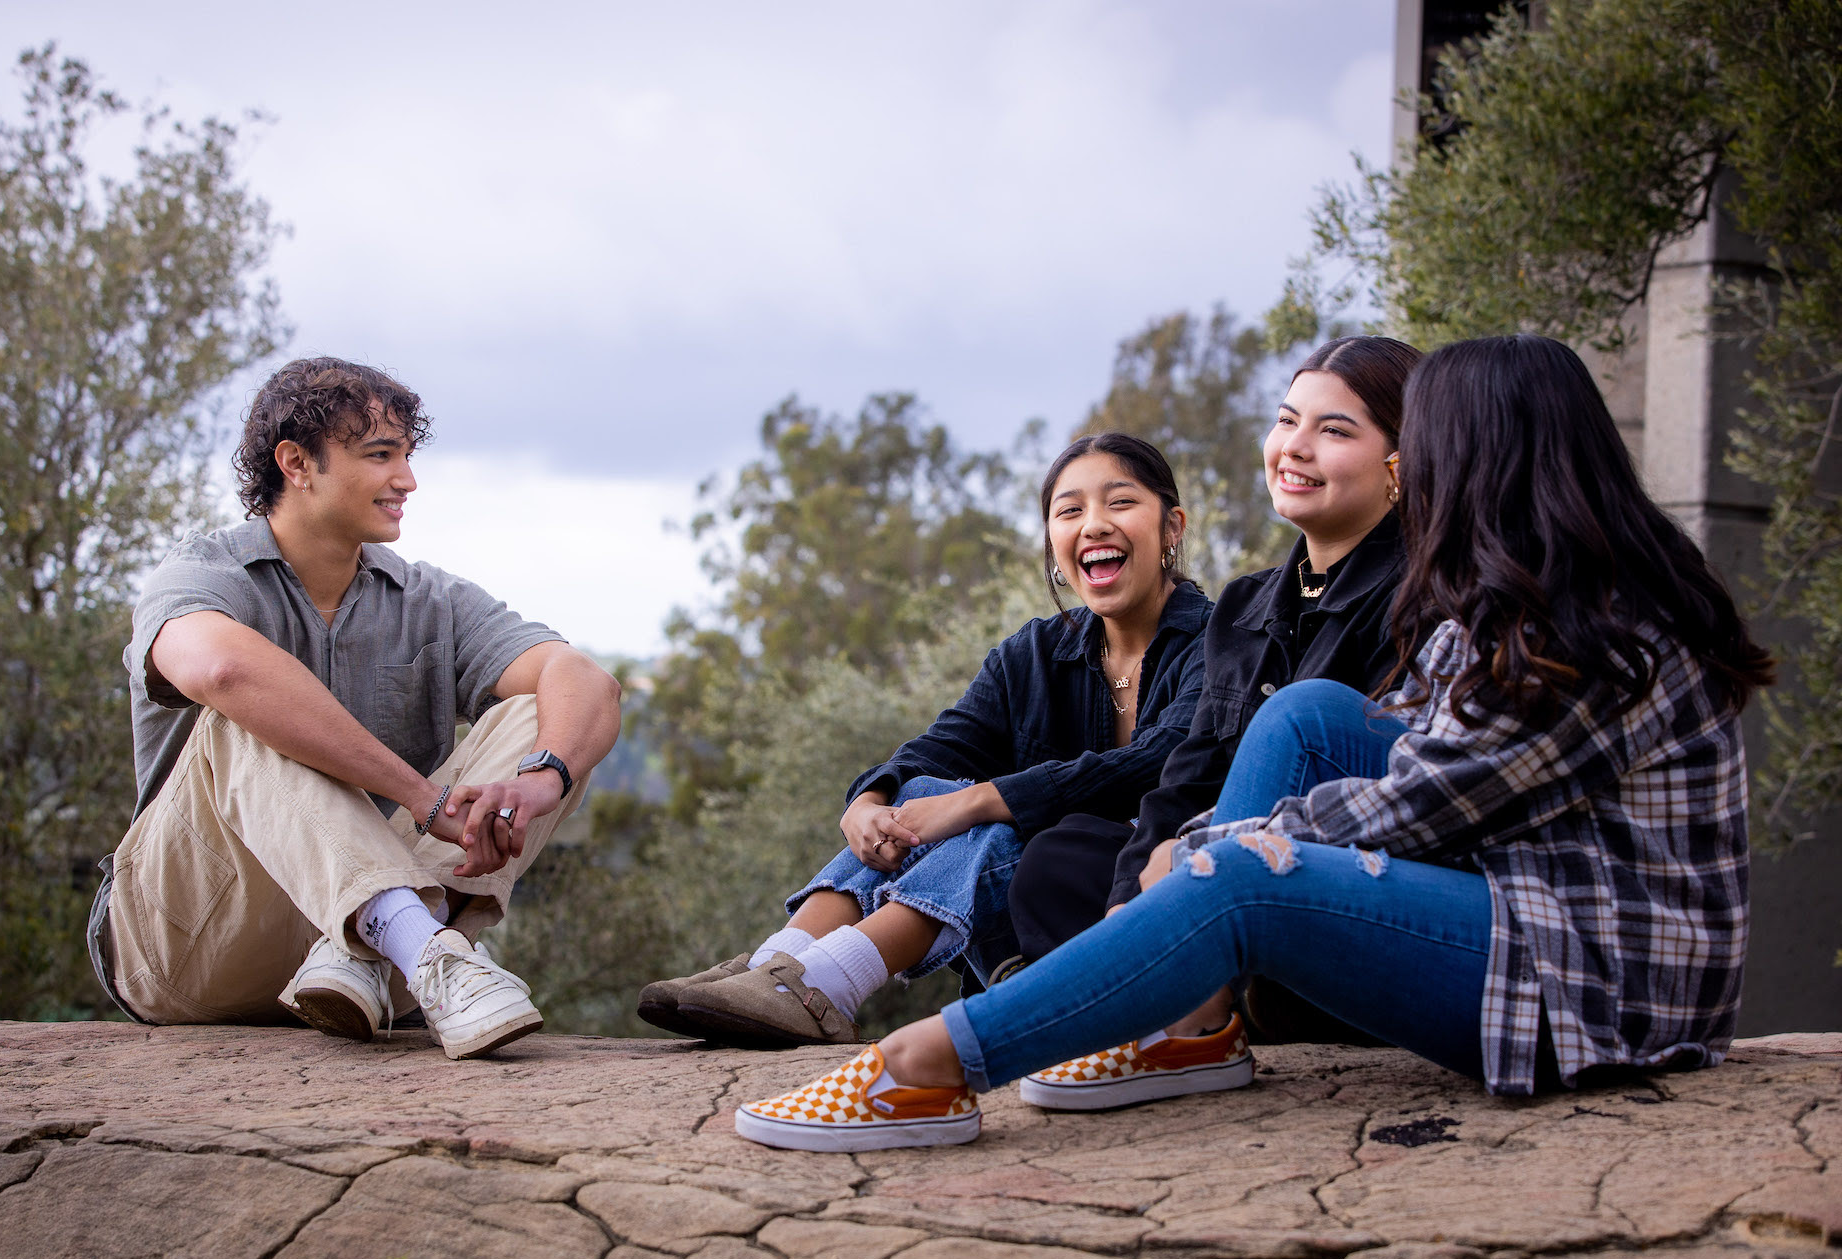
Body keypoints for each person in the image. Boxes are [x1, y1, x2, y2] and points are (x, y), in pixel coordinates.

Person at [734, 333, 1773, 1150]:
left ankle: (933, 1063)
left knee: (1240, 877)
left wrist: (1208, 853)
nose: (1423, 474)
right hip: (1534, 912)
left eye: (1431, 450)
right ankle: (1188, 1022)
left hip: (1592, 984)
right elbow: (1395, 747)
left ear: (1482, 461)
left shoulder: (1589, 626)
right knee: (1305, 713)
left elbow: (1422, 804)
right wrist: (1208, 836)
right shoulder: (1522, 598)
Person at [85, 357, 622, 1061]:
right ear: (297, 463)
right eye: (380, 454)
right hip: (193, 942)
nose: (407, 478)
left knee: (540, 714)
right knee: (242, 708)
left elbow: (582, 678)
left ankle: (386, 945)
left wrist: (541, 777)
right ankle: (419, 942)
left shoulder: (431, 601)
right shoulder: (204, 572)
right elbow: (219, 666)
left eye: (406, 454)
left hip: (343, 971)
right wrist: (421, 796)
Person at [639, 435, 1212, 1046]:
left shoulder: (1220, 638)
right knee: (927, 788)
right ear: (1052, 540)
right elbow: (944, 744)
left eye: (1119, 503)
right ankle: (778, 965)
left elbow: (1163, 761)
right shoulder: (1035, 655)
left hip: (1134, 893)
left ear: (1171, 525)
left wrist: (975, 802)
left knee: (994, 817)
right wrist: (869, 801)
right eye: (1070, 511)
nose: (1094, 525)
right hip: (1038, 907)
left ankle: (821, 986)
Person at [1007, 334, 1420, 1050]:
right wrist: (1129, 899)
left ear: (1400, 464)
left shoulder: (1424, 597)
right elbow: (1186, 773)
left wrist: (1201, 849)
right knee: (1060, 858)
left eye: (1333, 430)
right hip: (1213, 862)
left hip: (1321, 872)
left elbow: (1382, 791)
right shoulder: (1247, 605)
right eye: (1287, 420)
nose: (1295, 447)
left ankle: (1213, 998)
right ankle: (1207, 986)